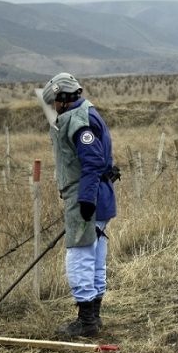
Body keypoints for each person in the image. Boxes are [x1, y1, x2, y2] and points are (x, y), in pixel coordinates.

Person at [40, 73, 117, 338]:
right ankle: (93, 318)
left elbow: (93, 162)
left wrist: (84, 200)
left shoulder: (77, 120)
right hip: (98, 195)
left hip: (87, 197)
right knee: (95, 257)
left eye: (53, 102)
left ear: (62, 98)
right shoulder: (88, 111)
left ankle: (86, 323)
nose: (52, 107)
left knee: (80, 257)